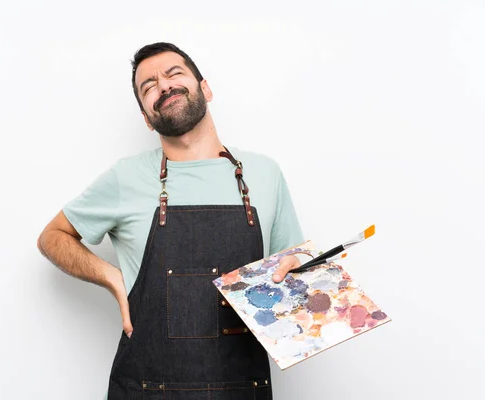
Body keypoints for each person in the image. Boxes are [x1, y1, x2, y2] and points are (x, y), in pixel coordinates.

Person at [37, 42, 304, 400]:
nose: (162, 85)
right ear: (147, 118)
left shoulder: (265, 174)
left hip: (242, 389)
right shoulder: (126, 177)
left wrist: (298, 269)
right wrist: (113, 278)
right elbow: (52, 236)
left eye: (173, 73)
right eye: (148, 86)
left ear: (205, 89)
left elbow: (295, 264)